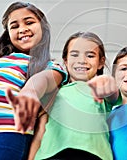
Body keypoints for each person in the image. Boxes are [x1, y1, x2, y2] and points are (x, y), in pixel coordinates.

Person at [0, 1, 67, 160]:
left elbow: (47, 79)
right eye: (14, 26)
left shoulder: (48, 65)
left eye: (29, 22)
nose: (22, 29)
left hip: (0, 133)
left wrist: (30, 91)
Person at [30, 31, 119, 160]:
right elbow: (40, 133)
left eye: (90, 55)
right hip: (52, 155)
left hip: (94, 155)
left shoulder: (100, 89)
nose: (82, 60)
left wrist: (108, 84)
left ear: (101, 62)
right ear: (65, 61)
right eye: (74, 55)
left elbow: (113, 95)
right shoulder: (55, 91)